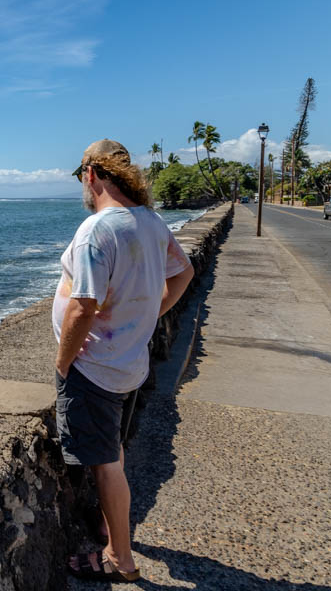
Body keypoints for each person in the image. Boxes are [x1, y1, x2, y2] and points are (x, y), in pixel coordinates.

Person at [54, 139, 194, 583]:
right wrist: (146, 315)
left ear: (91, 174)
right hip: (128, 362)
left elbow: (83, 306)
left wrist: (63, 364)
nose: (82, 184)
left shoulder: (98, 230)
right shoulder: (150, 221)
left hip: (95, 367)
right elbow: (184, 272)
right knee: (112, 449)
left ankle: (120, 558)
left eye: (81, 176)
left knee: (106, 462)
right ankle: (107, 525)